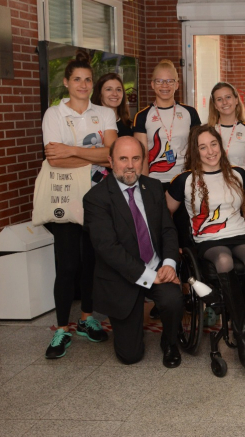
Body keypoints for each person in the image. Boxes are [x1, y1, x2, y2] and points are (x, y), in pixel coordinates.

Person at [166, 125, 245, 368]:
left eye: (213, 144)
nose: (210, 151)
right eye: (203, 147)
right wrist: (174, 245)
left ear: (220, 146)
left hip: (239, 234)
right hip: (208, 240)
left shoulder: (238, 174)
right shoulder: (185, 180)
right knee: (224, 261)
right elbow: (166, 215)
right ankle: (242, 336)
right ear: (195, 151)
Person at [41, 51, 116, 359]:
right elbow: (53, 157)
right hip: (65, 196)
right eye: (77, 79)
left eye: (87, 79)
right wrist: (94, 151)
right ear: (66, 82)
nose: (83, 85)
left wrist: (74, 150)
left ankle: (86, 319)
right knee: (67, 264)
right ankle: (61, 329)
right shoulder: (54, 114)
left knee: (91, 263)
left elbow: (111, 153)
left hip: (97, 198)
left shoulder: (104, 113)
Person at [83, 137, 183, 368]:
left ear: (143, 161)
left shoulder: (154, 188)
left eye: (135, 158)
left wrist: (168, 264)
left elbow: (168, 230)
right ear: (110, 161)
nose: (130, 165)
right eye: (123, 158)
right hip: (121, 276)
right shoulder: (95, 199)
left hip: (156, 264)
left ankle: (169, 342)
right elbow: (108, 249)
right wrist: (150, 276)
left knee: (172, 299)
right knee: (130, 356)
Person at [133, 59, 201, 189]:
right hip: (155, 181)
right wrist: (145, 187)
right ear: (152, 84)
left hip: (185, 179)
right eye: (159, 81)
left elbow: (196, 150)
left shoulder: (190, 113)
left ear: (177, 85)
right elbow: (142, 155)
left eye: (170, 81)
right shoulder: (142, 116)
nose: (165, 85)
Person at [208, 82, 245, 207]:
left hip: (240, 191)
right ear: (215, 105)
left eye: (228, 97)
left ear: (236, 100)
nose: (224, 102)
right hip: (213, 192)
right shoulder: (208, 131)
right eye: (219, 99)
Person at [92, 72, 133, 137]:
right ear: (99, 94)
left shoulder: (130, 125)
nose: (115, 94)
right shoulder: (90, 122)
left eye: (118, 90)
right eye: (109, 89)